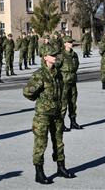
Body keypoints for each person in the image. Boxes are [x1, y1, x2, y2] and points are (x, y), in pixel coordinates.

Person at [23, 46, 75, 184]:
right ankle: (39, 173)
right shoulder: (39, 74)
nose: (55, 57)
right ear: (45, 57)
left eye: (56, 55)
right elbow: (27, 92)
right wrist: (40, 100)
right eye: (52, 55)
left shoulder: (57, 73)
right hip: (43, 115)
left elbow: (61, 89)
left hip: (56, 113)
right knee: (41, 143)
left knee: (58, 142)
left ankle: (61, 167)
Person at [57, 36, 83, 132]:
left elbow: (76, 66)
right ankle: (61, 124)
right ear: (65, 44)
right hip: (64, 82)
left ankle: (73, 122)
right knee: (63, 104)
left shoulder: (74, 54)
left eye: (71, 42)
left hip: (72, 81)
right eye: (69, 42)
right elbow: (56, 68)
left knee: (73, 103)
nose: (71, 43)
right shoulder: (60, 55)